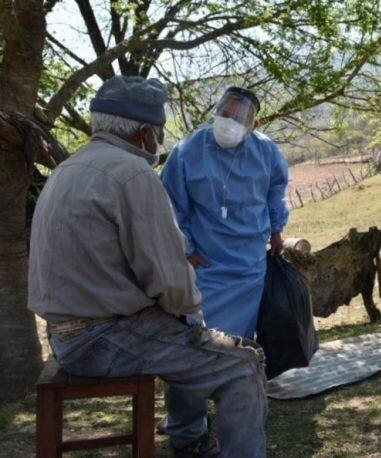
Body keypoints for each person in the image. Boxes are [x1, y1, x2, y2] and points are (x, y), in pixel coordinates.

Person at [28, 76, 268, 457]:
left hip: (63, 336)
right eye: (157, 131)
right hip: (105, 337)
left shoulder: (67, 169)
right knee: (243, 362)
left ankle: (189, 441)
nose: (159, 139)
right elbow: (171, 281)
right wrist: (194, 321)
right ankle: (196, 443)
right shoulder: (132, 174)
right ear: (144, 132)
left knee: (203, 349)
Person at [160, 86, 289, 443]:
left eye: (240, 117)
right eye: (226, 112)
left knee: (238, 351)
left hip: (248, 271)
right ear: (215, 110)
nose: (230, 122)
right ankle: (186, 429)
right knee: (192, 350)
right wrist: (185, 249)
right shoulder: (187, 151)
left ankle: (235, 422)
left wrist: (277, 232)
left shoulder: (265, 151)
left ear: (252, 124)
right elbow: (171, 204)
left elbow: (275, 193)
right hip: (205, 270)